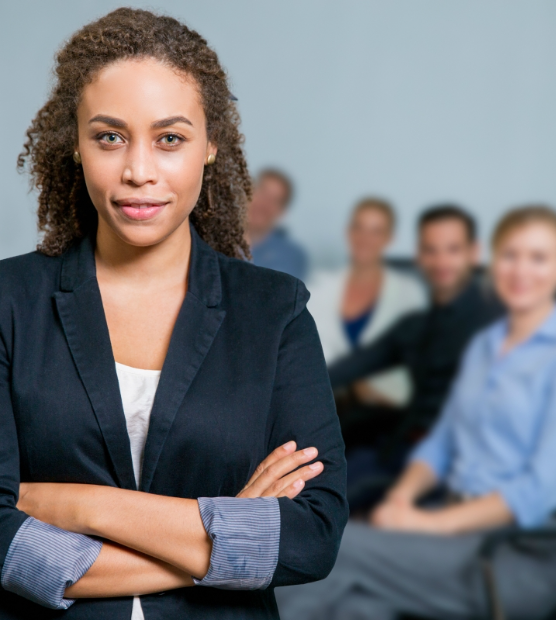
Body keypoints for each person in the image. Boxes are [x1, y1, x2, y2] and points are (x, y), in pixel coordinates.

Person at [0, 9, 347, 620]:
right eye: (109, 136)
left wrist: (80, 507)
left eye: (170, 138)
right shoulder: (7, 300)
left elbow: (311, 536)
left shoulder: (275, 311)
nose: (139, 171)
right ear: (76, 146)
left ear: (211, 144)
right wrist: (227, 532)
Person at [277, 205, 556, 620]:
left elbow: (536, 493)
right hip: (452, 527)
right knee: (355, 609)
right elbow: (442, 442)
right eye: (510, 255)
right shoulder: (486, 345)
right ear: (492, 260)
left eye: (538, 258)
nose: (521, 270)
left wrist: (430, 526)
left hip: (514, 553)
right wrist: (400, 499)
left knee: (326, 551)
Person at [329, 205, 502, 456]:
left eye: (453, 250)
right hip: (404, 448)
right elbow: (343, 369)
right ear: (418, 256)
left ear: (474, 253)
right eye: (431, 250)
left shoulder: (500, 320)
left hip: (464, 461)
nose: (441, 261)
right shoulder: (414, 326)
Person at [308, 197, 426, 408]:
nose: (365, 238)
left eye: (376, 231)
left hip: (386, 409)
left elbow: (412, 366)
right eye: (358, 228)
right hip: (322, 403)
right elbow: (305, 352)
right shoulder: (319, 288)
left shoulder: (410, 294)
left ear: (390, 238)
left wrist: (360, 387)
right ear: (348, 232)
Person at [246, 169, 308, 279]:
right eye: (261, 193)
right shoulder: (215, 238)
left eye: (274, 200)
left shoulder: (291, 256)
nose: (263, 203)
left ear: (282, 212)